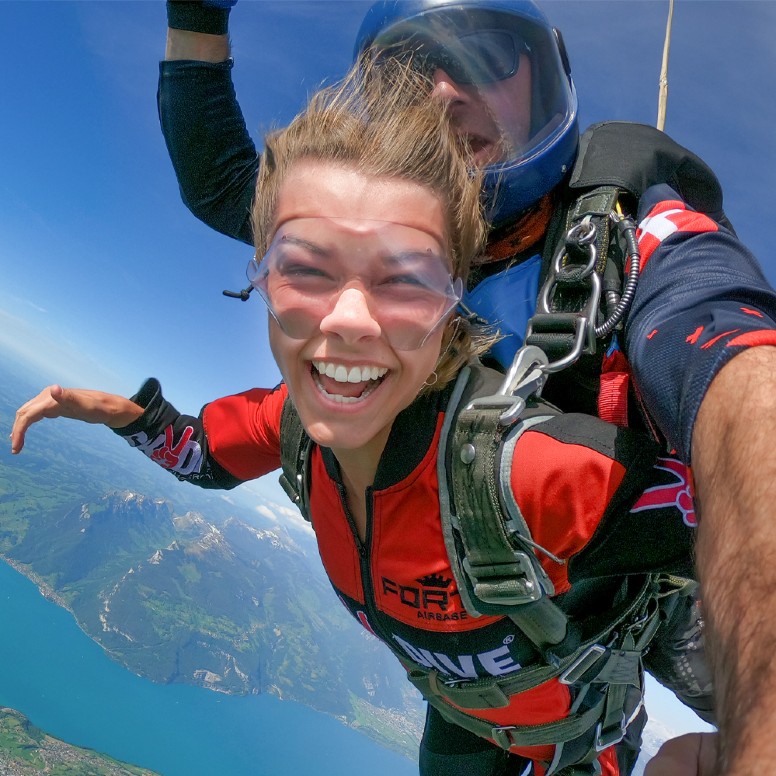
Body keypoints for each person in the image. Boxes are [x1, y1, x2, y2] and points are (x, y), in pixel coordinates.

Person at [14, 59, 702, 776]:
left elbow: (747, 525)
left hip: (577, 749)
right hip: (463, 723)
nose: (348, 321)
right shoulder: (291, 429)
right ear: (261, 282)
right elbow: (201, 456)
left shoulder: (531, 473)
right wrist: (123, 415)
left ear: (451, 309)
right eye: (305, 267)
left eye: (406, 280)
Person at [159, 3, 776, 772]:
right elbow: (225, 185)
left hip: (640, 570)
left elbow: (727, 350)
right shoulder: (366, 235)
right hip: (483, 638)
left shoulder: (621, 236)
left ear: (545, 85)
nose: (445, 91)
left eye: (483, 56)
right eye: (409, 73)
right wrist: (195, 19)